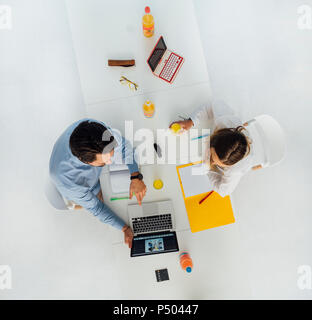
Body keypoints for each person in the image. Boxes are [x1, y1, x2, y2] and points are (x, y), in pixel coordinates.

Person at [49, 119, 147, 248]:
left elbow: (124, 146)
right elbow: (96, 207)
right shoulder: (68, 181)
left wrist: (135, 176)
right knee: (105, 201)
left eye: (111, 155)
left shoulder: (96, 131)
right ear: (84, 161)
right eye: (104, 162)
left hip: (89, 175)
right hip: (80, 189)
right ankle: (74, 206)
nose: (111, 162)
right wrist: (124, 228)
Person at [170, 100, 255, 197]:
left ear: (228, 166)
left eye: (216, 162)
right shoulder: (226, 120)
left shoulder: (235, 171)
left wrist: (208, 169)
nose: (212, 161)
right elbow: (211, 105)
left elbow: (223, 191)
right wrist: (191, 121)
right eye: (212, 156)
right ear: (215, 137)